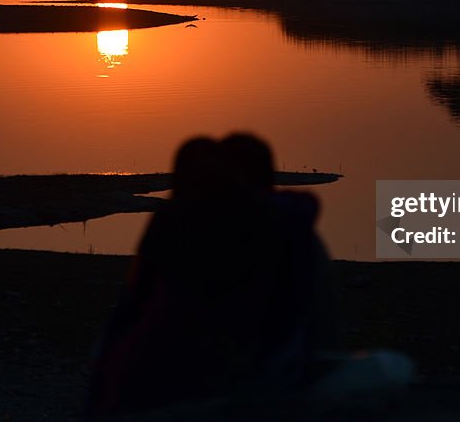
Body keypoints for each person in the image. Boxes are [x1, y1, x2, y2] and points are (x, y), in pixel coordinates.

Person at [86, 134, 336, 417]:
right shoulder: (295, 229)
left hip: (212, 379)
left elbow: (137, 305)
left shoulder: (183, 225)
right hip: (273, 373)